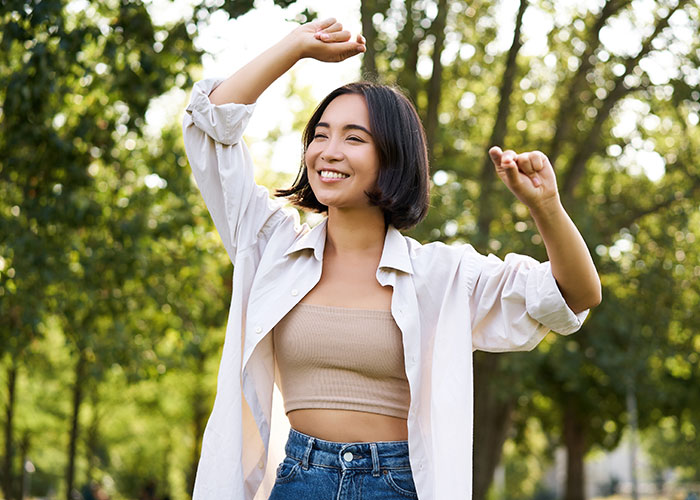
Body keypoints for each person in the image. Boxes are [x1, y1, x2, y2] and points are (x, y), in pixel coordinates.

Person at [182, 17, 601, 500]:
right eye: (320, 134)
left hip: (397, 484)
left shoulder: (443, 276)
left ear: (393, 157)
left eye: (354, 138)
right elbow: (210, 124)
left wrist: (545, 207)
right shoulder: (270, 245)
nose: (328, 152)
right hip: (298, 480)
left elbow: (573, 295)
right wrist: (294, 47)